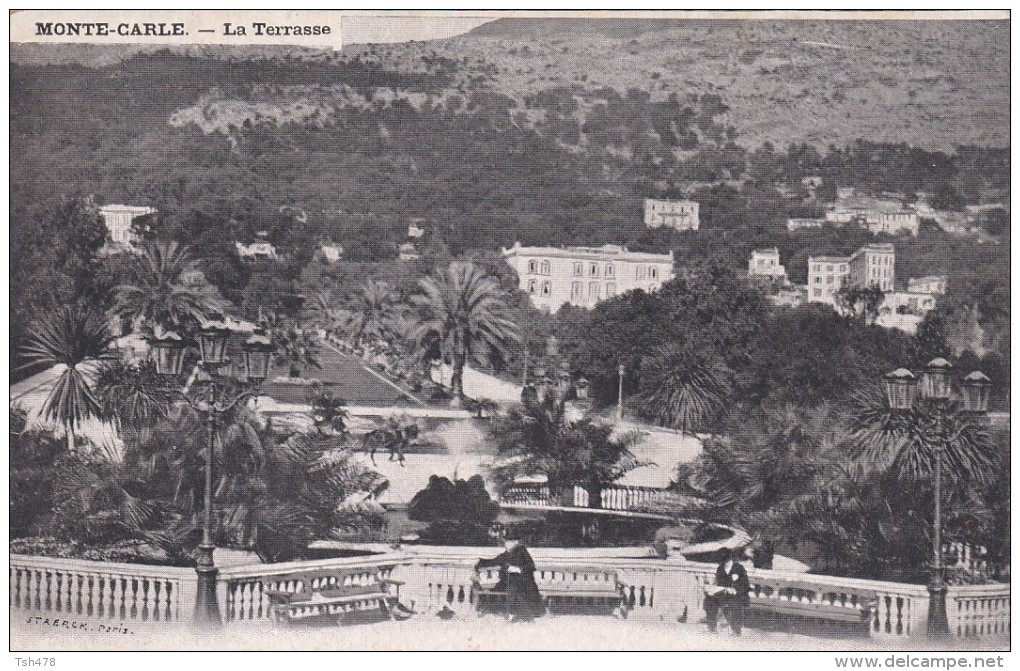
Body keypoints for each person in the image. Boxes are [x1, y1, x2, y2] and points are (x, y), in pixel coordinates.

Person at [475, 536, 545, 622]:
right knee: (510, 588)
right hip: (508, 583)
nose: (507, 544)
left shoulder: (522, 551)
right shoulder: (505, 555)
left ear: (516, 542)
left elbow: (531, 566)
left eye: (510, 542)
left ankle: (523, 615)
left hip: (525, 582)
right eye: (506, 542)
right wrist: (478, 561)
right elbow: (492, 561)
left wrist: (517, 569)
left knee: (517, 589)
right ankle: (518, 614)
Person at [703, 549, 751, 636]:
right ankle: (711, 627)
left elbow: (746, 585)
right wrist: (712, 590)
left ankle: (736, 630)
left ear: (730, 559)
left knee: (735, 602)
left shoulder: (739, 568)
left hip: (739, 595)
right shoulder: (720, 568)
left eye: (726, 562)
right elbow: (720, 584)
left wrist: (735, 590)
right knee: (709, 600)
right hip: (724, 594)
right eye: (723, 563)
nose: (725, 564)